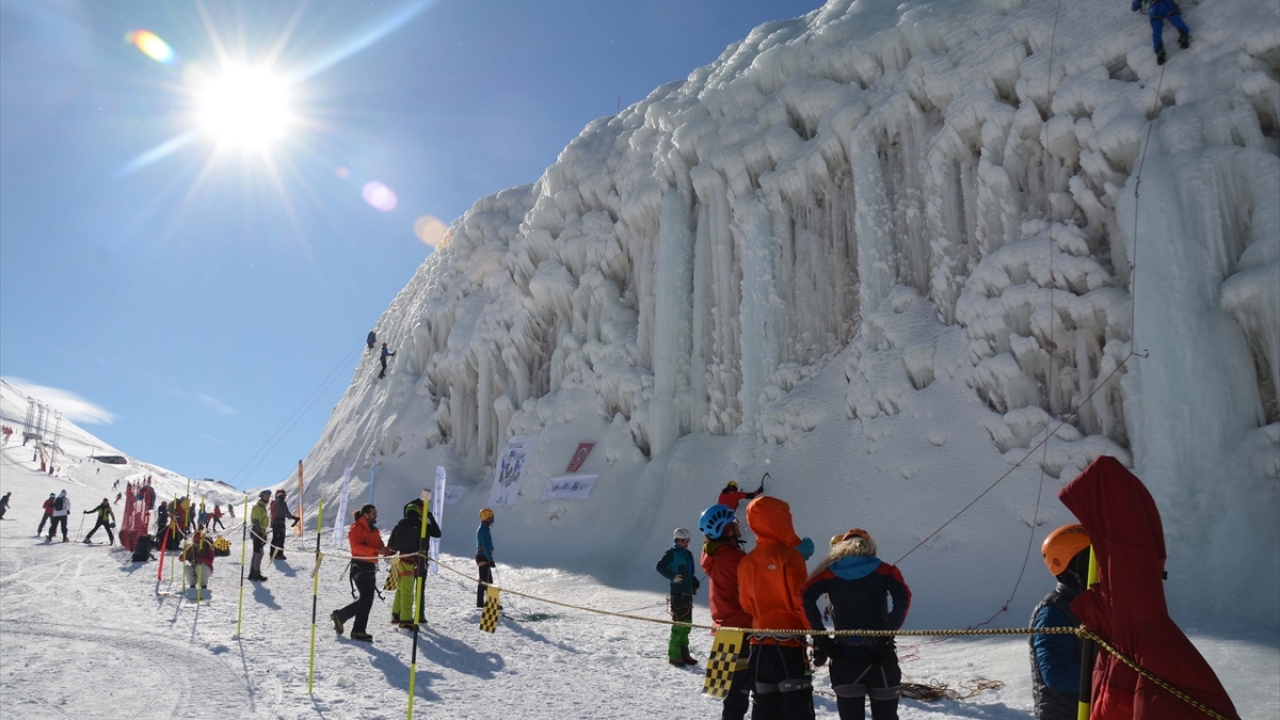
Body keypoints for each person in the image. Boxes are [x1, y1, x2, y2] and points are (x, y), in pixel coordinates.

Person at [801, 528, 911, 720]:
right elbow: (904, 597)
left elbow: (804, 595)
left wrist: (822, 638)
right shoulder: (885, 570)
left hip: (844, 656)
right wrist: (887, 634)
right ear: (870, 548)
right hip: (881, 656)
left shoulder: (828, 573)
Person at [737, 496, 815, 719]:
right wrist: (816, 636)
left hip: (760, 648)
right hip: (790, 647)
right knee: (798, 711)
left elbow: (746, 604)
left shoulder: (746, 562)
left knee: (764, 708)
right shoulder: (791, 557)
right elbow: (802, 602)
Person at [1029, 524, 1091, 720]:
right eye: (1090, 560)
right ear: (1073, 566)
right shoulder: (1053, 611)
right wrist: (1108, 677)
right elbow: (1056, 673)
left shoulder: (1090, 605)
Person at [699, 503, 753, 719]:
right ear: (725, 529)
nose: (738, 526)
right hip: (742, 630)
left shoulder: (714, 555)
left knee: (733, 698)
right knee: (746, 695)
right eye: (734, 523)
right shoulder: (733, 559)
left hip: (724, 630)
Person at [331, 504, 390, 641]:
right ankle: (357, 631)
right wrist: (376, 551)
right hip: (359, 566)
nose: (376, 515)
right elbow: (357, 548)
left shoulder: (374, 530)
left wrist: (385, 550)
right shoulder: (355, 529)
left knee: (366, 597)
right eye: (373, 513)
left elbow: (378, 545)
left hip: (370, 567)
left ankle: (341, 616)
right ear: (365, 515)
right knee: (367, 596)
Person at [387, 496, 441, 629]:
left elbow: (390, 546)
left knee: (401, 589)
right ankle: (409, 619)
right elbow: (437, 534)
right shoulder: (422, 527)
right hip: (416, 561)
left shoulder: (398, 526)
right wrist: (430, 517)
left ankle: (396, 614)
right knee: (412, 591)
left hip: (400, 560)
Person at [656, 527, 701, 666]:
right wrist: (672, 576)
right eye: (683, 541)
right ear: (677, 540)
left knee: (686, 625)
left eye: (687, 541)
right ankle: (674, 655)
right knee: (679, 624)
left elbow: (689, 571)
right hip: (677, 593)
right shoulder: (672, 552)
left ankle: (684, 653)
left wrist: (692, 582)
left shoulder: (688, 554)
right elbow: (660, 566)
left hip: (687, 592)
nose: (686, 543)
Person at [1132, 0, 1190, 65]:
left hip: (1154, 6)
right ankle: (1183, 34)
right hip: (1167, 2)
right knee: (1175, 18)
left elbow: (1135, 6)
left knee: (1156, 29)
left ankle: (1159, 49)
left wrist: (1135, 7)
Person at [475, 508, 498, 609]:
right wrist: (490, 559)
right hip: (484, 557)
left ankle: (489, 603)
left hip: (484, 556)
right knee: (485, 581)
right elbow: (485, 546)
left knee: (487, 580)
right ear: (485, 518)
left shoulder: (484, 528)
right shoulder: (483, 530)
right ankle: (482, 604)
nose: (492, 519)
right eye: (490, 517)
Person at [269, 489, 299, 560]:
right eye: (284, 495)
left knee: (275, 538)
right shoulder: (282, 502)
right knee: (281, 539)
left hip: (274, 522)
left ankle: (272, 554)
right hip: (280, 523)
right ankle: (279, 554)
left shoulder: (274, 503)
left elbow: (277, 513)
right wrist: (293, 517)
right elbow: (286, 512)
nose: (285, 497)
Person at [248, 490, 271, 581]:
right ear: (261, 496)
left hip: (260, 531)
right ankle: (256, 573)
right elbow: (256, 521)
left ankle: (253, 573)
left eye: (268, 497)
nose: (267, 498)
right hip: (257, 532)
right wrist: (260, 533)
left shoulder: (262, 508)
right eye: (265, 496)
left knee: (256, 552)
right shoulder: (257, 507)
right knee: (259, 553)